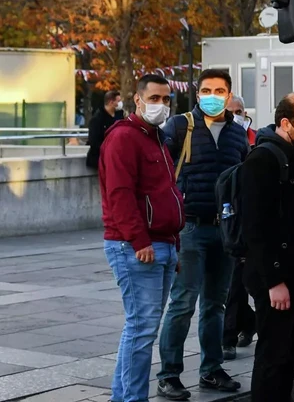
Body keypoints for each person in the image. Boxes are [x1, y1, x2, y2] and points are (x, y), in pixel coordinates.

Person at [155, 70, 249, 399]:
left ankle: (211, 369)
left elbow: (244, 181)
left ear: (229, 94)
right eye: (206, 90)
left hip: (224, 229)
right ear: (197, 94)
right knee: (182, 304)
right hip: (190, 228)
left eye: (219, 90)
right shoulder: (180, 126)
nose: (212, 95)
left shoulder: (239, 134)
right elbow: (158, 170)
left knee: (215, 306)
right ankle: (168, 374)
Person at [100, 75, 183, 402]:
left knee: (141, 329)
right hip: (136, 245)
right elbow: (120, 195)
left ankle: (124, 398)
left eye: (166, 99)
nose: (160, 105)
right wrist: (140, 242)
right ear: (137, 99)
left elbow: (167, 192)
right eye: (154, 98)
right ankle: (132, 399)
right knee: (141, 329)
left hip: (161, 243)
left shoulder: (155, 138)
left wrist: (172, 245)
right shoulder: (124, 138)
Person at [242, 92, 294, 402]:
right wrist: (274, 281)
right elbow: (256, 227)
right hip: (277, 278)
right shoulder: (263, 159)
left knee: (291, 350)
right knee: (273, 355)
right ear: (285, 123)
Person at [221, 93, 256, 360]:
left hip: (244, 220)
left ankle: (228, 337)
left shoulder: (254, 139)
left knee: (236, 284)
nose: (237, 115)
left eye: (240, 111)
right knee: (233, 284)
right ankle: (248, 322)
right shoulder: (219, 139)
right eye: (231, 111)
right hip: (222, 218)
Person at [87, 90, 126, 170]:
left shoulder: (119, 116)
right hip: (100, 159)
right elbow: (94, 141)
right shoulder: (97, 119)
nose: (120, 103)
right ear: (111, 102)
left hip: (116, 158)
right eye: (118, 101)